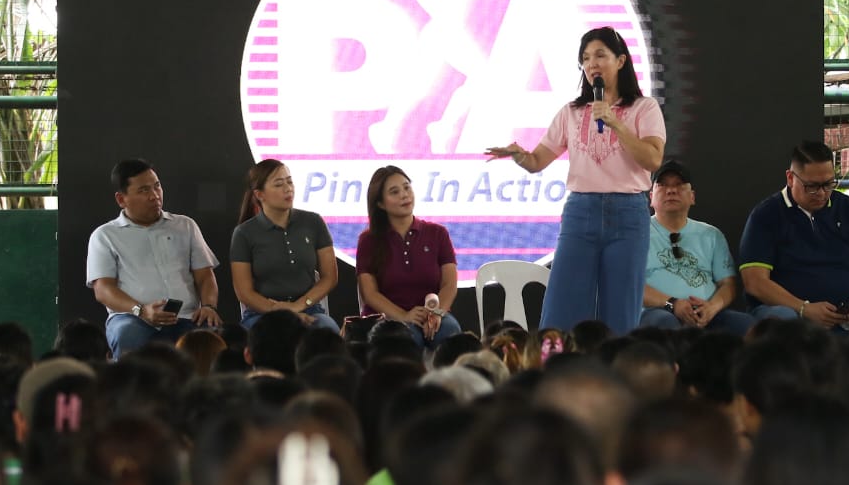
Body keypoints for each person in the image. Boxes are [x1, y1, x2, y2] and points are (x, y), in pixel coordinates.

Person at [485, 27, 666, 333]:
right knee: (563, 301)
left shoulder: (643, 107)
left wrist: (615, 123)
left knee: (621, 305)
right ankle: (554, 368)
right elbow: (538, 161)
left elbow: (652, 159)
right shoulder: (571, 112)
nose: (592, 63)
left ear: (621, 60)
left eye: (600, 55)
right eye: (585, 58)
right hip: (581, 211)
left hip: (629, 213)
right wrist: (519, 156)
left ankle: (612, 374)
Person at [738, 141, 849, 329]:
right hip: (790, 309)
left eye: (829, 184)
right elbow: (755, 282)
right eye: (812, 186)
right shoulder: (766, 215)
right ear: (790, 178)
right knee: (783, 321)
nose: (822, 193)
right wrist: (803, 308)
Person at [86, 159, 220, 358]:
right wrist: (141, 311)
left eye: (157, 186)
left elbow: (205, 276)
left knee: (212, 336)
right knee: (128, 334)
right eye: (143, 190)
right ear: (121, 199)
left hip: (186, 317)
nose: (154, 196)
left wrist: (209, 306)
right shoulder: (105, 235)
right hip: (132, 318)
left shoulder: (185, 226)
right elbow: (103, 290)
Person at [638, 160, 753, 336]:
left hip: (708, 313)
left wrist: (712, 308)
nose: (671, 190)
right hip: (659, 311)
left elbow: (728, 284)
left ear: (692, 197)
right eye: (662, 185)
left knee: (746, 325)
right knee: (665, 323)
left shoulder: (711, 235)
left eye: (679, 185)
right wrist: (673, 304)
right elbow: (630, 284)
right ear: (651, 196)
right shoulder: (636, 234)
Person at [355, 165, 462, 351]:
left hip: (432, 314)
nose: (405, 195)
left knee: (450, 332)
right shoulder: (368, 240)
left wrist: (436, 314)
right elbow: (369, 294)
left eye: (407, 187)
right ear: (380, 203)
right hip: (389, 319)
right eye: (394, 192)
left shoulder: (438, 233)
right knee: (406, 339)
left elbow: (449, 284)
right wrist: (403, 316)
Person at [230, 159, 340, 333]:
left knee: (327, 331)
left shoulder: (313, 222)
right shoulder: (244, 233)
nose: (288, 188)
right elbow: (244, 292)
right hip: (262, 313)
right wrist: (281, 311)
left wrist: (298, 306)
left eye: (289, 181)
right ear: (260, 195)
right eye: (279, 184)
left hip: (309, 309)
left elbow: (330, 277)